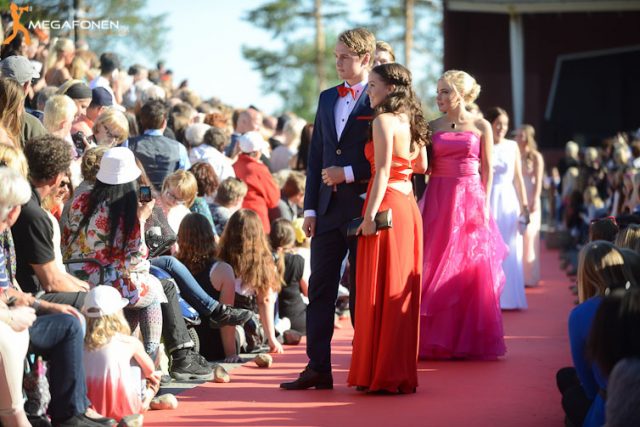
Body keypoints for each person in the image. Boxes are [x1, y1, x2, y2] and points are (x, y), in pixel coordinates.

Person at [281, 27, 376, 391]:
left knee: (362, 292)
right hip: (325, 211)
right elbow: (317, 156)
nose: (338, 63)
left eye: (345, 57)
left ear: (365, 59)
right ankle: (317, 367)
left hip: (364, 209)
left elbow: (389, 159)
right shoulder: (325, 98)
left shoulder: (379, 99)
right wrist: (309, 210)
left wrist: (348, 173)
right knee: (320, 288)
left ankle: (365, 367)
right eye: (336, 56)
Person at [347, 62, 428, 394]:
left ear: (390, 88)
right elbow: (421, 166)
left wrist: (368, 217)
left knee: (378, 287)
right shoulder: (411, 120)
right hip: (408, 206)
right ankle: (398, 371)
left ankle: (378, 372)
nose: (368, 91)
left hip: (386, 205)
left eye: (372, 85)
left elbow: (380, 171)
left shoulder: (382, 120)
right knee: (397, 287)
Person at [418, 70, 507, 360]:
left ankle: (467, 338)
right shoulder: (432, 126)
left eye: (445, 91)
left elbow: (487, 169)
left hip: (471, 198)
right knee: (436, 261)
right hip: (439, 198)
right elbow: (422, 167)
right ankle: (437, 337)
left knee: (470, 265)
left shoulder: (481, 125)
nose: (439, 97)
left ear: (460, 94)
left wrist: (484, 205)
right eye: (438, 91)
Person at [557, 241, 639, 427]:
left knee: (571, 393)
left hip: (611, 406)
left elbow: (588, 384)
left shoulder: (583, 313)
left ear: (585, 274)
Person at [82, 285, 172, 421]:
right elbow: (149, 371)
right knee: (142, 367)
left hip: (88, 409)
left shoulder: (78, 343)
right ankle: (146, 401)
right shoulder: (129, 343)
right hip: (127, 408)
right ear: (118, 313)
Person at [487, 107, 529, 310]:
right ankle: (491, 296)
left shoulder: (512, 146)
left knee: (510, 247)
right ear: (490, 124)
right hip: (488, 199)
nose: (502, 128)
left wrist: (524, 206)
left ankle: (510, 298)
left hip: (508, 202)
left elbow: (518, 179)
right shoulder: (483, 143)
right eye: (498, 124)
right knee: (490, 249)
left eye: (505, 124)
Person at [232, 131, 280, 233]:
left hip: (237, 217)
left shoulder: (234, 165)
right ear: (257, 152)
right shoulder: (259, 169)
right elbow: (273, 199)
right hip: (257, 219)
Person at [516, 124, 544, 287]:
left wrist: (534, 199)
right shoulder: (514, 153)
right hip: (517, 196)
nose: (518, 138)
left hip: (531, 196)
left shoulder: (535, 156)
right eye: (517, 135)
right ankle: (518, 275)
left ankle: (530, 277)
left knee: (530, 237)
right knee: (517, 237)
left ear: (528, 138)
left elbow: (539, 180)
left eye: (521, 135)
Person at [270, 218, 308, 335]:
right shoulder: (298, 260)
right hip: (298, 319)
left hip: (272, 317)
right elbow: (307, 291)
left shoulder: (267, 260)